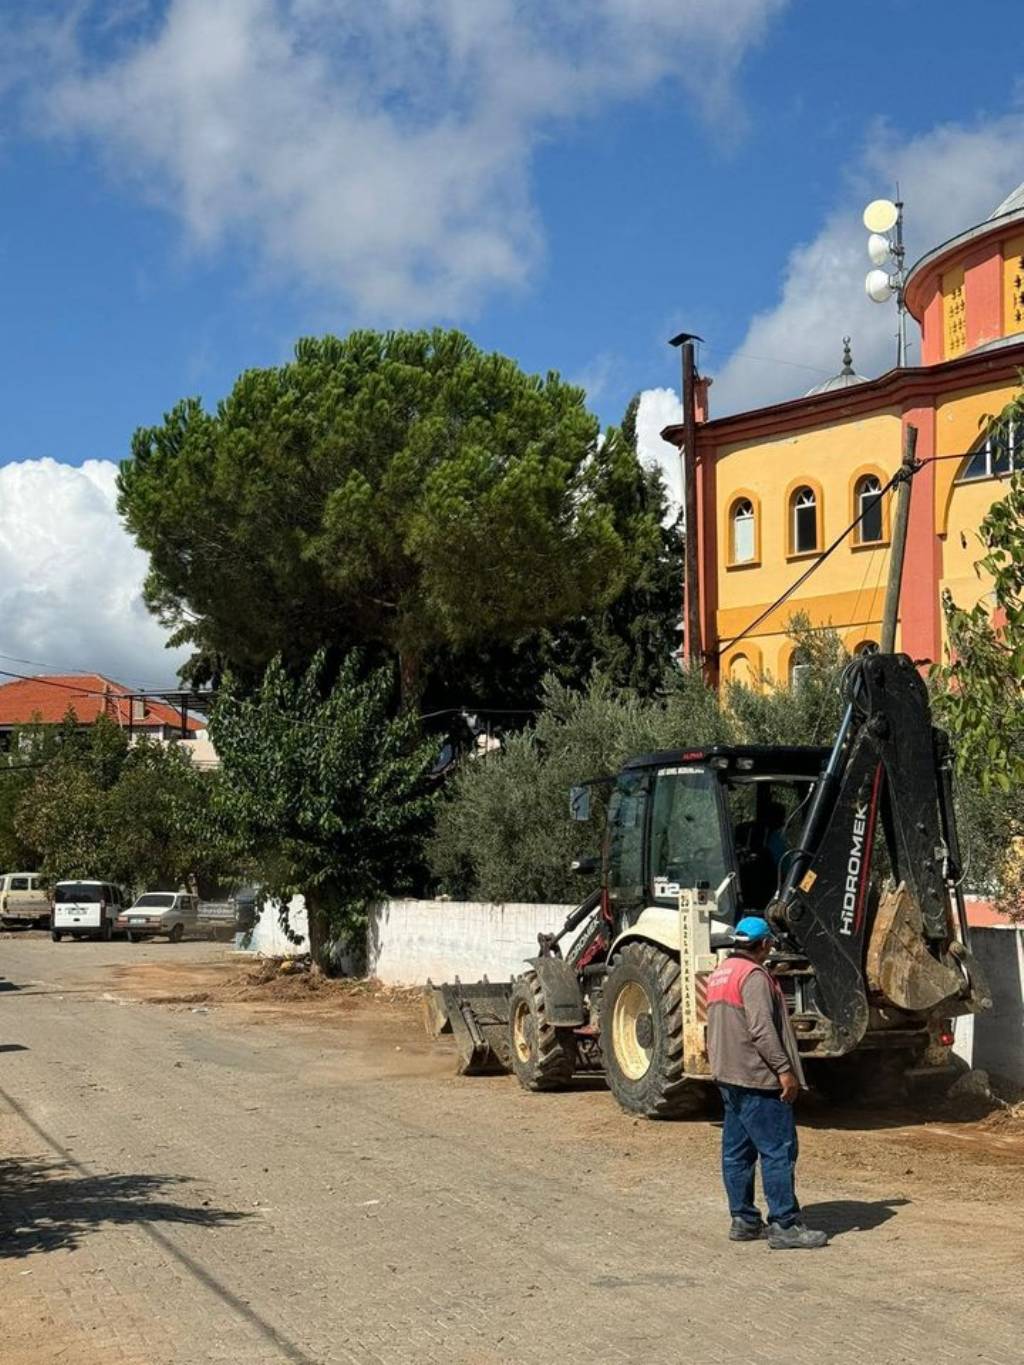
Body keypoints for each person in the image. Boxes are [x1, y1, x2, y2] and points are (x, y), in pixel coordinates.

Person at [706, 915, 828, 1250]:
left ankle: (743, 1220)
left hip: (728, 1075)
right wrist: (783, 1070)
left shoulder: (722, 973)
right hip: (757, 1077)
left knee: (737, 1152)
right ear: (763, 945)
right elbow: (761, 1029)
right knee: (778, 1150)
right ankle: (785, 1225)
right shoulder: (754, 976)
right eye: (769, 944)